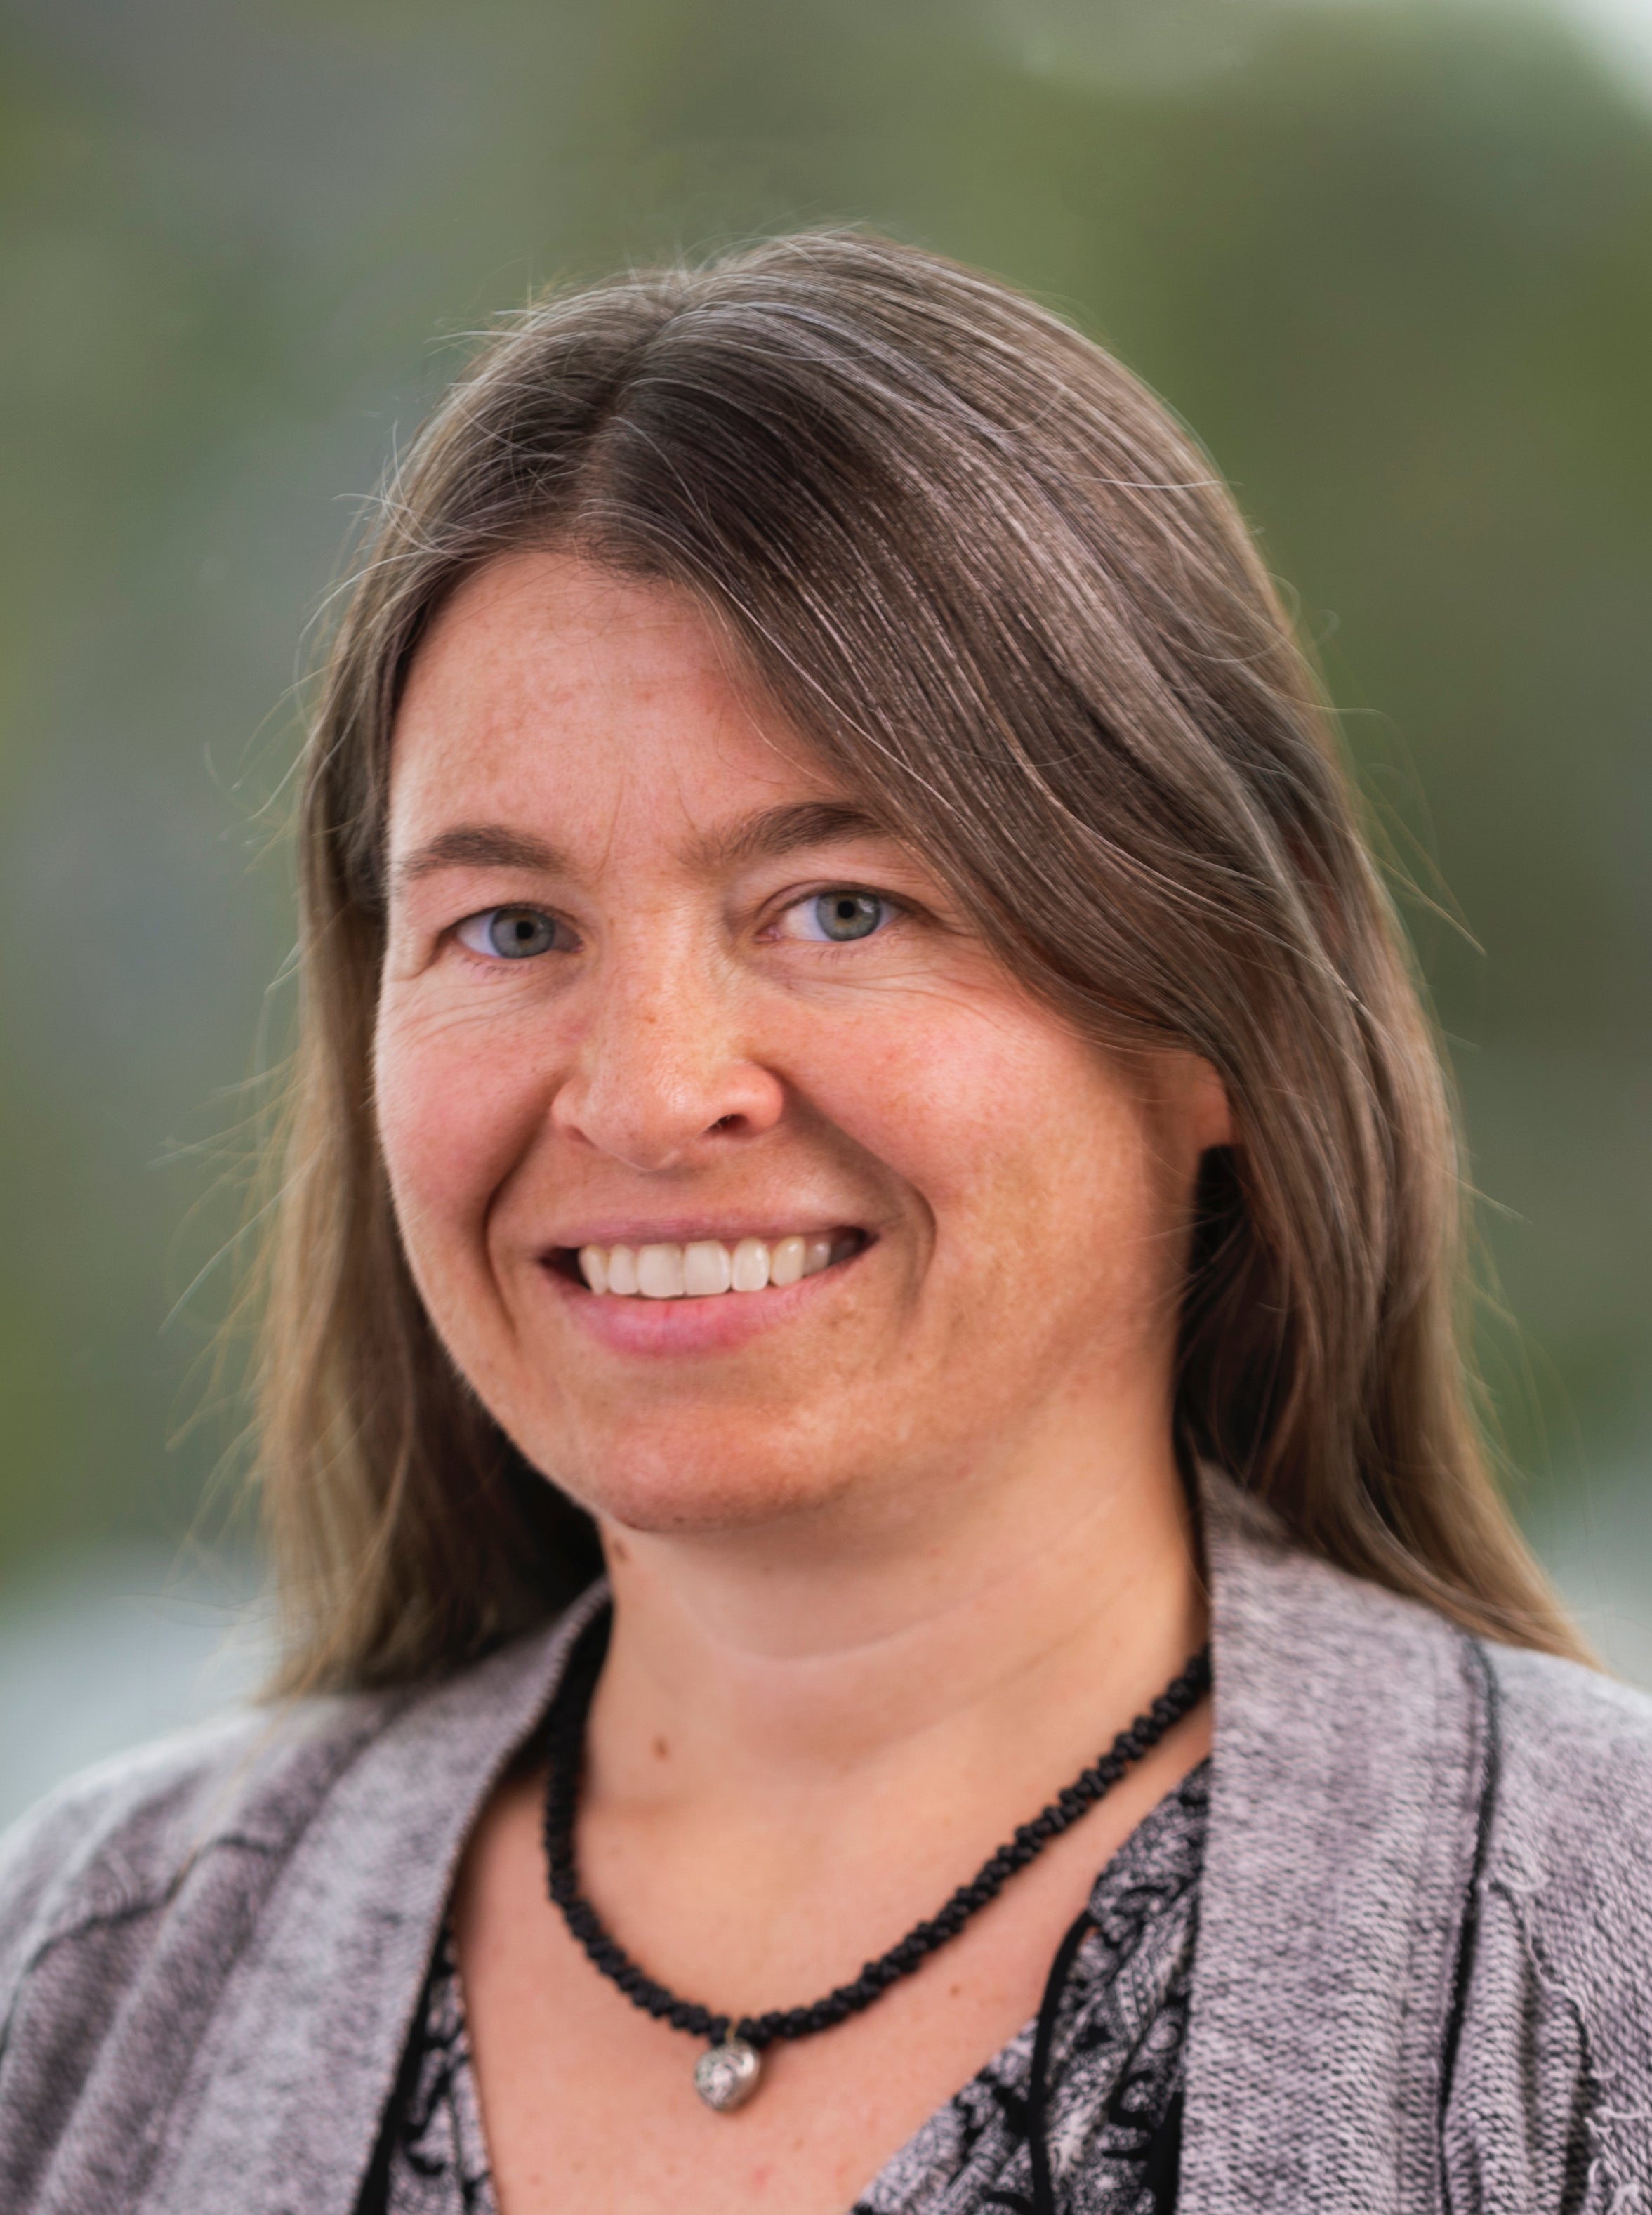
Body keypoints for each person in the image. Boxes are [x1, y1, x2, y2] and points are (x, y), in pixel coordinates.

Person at [1, 231, 1647, 2215]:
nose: (642, 1087)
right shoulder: (89, 1981)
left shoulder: (1588, 1983)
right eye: (509, 927)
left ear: (1218, 1009)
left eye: (839, 907)